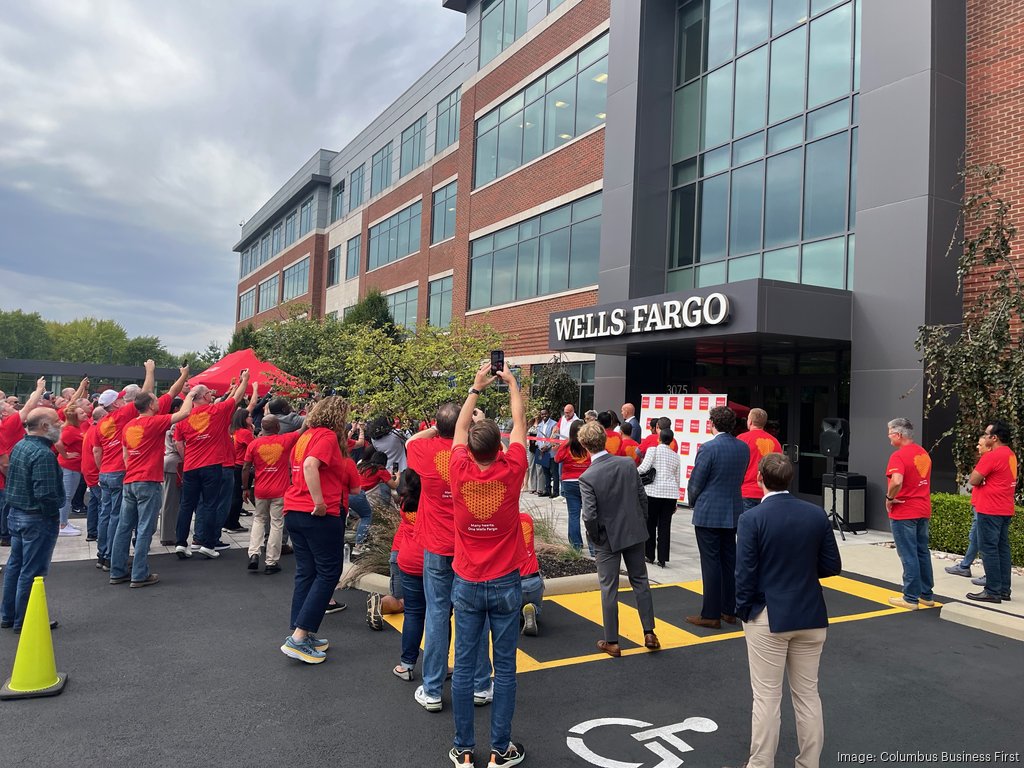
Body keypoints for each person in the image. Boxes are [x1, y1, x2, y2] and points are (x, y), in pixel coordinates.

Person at [732, 453, 842, 768]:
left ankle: (760, 764)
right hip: (810, 612)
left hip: (767, 614)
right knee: (808, 696)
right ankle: (809, 764)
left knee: (767, 698)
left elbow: (745, 573)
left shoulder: (752, 519)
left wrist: (744, 611)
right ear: (789, 480)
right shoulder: (816, 514)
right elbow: (832, 565)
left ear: (759, 479)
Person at [446, 361, 528, 768]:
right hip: (505, 582)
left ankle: (464, 750)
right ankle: (500, 750)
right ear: (499, 448)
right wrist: (512, 383)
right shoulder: (512, 469)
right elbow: (519, 423)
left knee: (463, 668)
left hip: (466, 580)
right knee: (506, 669)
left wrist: (476, 386)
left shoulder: (457, 470)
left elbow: (458, 431)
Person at [406, 403, 493, 714]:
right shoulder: (473, 452)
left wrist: (440, 428)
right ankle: (481, 685)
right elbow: (504, 451)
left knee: (437, 613)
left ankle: (432, 689)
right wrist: (475, 427)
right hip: (470, 547)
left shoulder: (426, 450)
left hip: (437, 546)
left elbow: (410, 442)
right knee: (475, 615)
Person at [279, 396, 361, 664]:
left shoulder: (306, 436)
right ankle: (300, 637)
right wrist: (320, 502)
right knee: (328, 573)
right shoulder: (325, 437)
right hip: (315, 514)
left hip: (295, 510)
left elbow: (301, 467)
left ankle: (301, 630)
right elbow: (310, 466)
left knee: (307, 572)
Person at [578, 420, 659, 658]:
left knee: (609, 588)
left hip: (606, 538)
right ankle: (649, 632)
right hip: (634, 531)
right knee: (641, 582)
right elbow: (641, 497)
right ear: (604, 440)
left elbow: (589, 515)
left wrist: (595, 538)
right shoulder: (626, 464)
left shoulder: (588, 476)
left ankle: (612, 640)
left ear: (584, 445)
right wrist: (640, 522)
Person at [109, 390, 196, 588]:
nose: (159, 402)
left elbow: (125, 456)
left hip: (130, 480)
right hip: (148, 480)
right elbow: (183, 414)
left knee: (124, 528)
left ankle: (117, 571)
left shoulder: (129, 425)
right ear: (149, 405)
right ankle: (139, 574)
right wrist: (190, 396)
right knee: (144, 529)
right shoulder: (154, 422)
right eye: (156, 400)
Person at [0, 408, 65, 632]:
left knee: (15, 566)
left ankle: (9, 615)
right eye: (57, 421)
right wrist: (52, 514)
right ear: (45, 427)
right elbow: (45, 494)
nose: (61, 425)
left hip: (17, 514)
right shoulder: (44, 454)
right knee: (32, 571)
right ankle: (25, 620)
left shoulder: (20, 445)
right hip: (36, 519)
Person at [173, 372, 248, 559]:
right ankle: (208, 544)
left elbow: (178, 443)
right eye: (209, 393)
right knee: (210, 505)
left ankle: (181, 543)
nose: (212, 395)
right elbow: (237, 398)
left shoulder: (183, 417)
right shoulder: (216, 411)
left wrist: (188, 456)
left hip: (191, 466)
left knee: (186, 505)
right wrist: (244, 380)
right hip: (212, 465)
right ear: (205, 397)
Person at [686, 405, 748, 629]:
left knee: (710, 562)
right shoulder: (743, 448)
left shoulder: (708, 448)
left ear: (712, 423)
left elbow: (696, 482)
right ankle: (729, 610)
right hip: (732, 510)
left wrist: (692, 501)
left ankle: (711, 614)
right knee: (729, 560)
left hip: (709, 512)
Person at [883, 418, 935, 610]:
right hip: (922, 508)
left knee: (907, 553)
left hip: (904, 510)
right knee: (922, 551)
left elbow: (896, 481)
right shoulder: (923, 453)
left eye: (889, 434)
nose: (888, 438)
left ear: (898, 435)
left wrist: (889, 498)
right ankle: (926, 594)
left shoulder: (898, 456)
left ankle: (910, 597)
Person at [242, 414, 301, 574]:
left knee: (259, 520)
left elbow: (246, 467)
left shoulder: (254, 444)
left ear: (262, 427)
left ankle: (253, 553)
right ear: (277, 427)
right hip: (279, 491)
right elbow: (303, 428)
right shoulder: (285, 440)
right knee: (276, 524)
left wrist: (245, 488)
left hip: (260, 490)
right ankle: (271, 561)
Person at [966, 419, 1017, 603]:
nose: (984, 437)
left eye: (987, 435)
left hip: (990, 509)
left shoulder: (991, 456)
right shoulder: (1010, 454)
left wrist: (981, 477)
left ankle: (993, 591)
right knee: (1002, 549)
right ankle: (1004, 589)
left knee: (988, 550)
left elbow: (973, 479)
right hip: (1004, 508)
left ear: (994, 438)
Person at [391, 468, 425, 681]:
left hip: (409, 561)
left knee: (413, 613)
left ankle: (407, 664)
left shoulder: (405, 506)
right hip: (433, 562)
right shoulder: (432, 506)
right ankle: (440, 664)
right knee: (439, 615)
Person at [945, 432, 990, 578]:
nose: (978, 447)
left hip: (983, 507)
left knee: (980, 538)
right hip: (979, 505)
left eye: (980, 445)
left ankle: (980, 571)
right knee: (976, 537)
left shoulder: (988, 460)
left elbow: (974, 480)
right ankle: (965, 565)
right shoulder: (987, 459)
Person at [636, 428, 681, 567]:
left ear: (658, 438)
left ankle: (649, 555)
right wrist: (676, 501)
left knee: (650, 523)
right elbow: (677, 478)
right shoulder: (676, 456)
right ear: (671, 441)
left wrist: (631, 471)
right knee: (665, 526)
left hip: (653, 492)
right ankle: (663, 558)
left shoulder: (652, 450)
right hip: (670, 494)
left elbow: (643, 468)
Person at [55, 387, 90, 537]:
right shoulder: (70, 430)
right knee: (67, 495)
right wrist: (66, 455)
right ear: (75, 417)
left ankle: (64, 521)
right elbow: (57, 442)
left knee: (68, 495)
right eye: (81, 413)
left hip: (74, 467)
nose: (85, 413)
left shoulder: (75, 428)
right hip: (69, 467)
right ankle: (62, 525)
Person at [554, 420, 591, 552]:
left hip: (569, 482)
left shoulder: (566, 445)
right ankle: (592, 548)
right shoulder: (588, 445)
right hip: (586, 482)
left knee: (573, 515)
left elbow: (557, 459)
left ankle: (576, 546)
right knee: (589, 515)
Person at [738, 408, 783, 511]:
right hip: (768, 492)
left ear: (750, 422)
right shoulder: (775, 442)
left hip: (746, 491)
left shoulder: (741, 439)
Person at [224, 407, 255, 533]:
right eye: (249, 416)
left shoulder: (233, 431)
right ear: (243, 418)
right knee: (239, 496)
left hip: (233, 465)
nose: (251, 418)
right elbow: (254, 447)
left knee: (233, 495)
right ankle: (232, 523)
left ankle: (228, 522)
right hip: (242, 466)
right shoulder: (245, 433)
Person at [159, 399, 184, 546]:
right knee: (170, 501)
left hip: (170, 462)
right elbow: (177, 443)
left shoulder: (166, 423)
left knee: (170, 500)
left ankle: (168, 531)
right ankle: (167, 534)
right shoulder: (173, 424)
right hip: (174, 462)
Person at [80, 405, 106, 542]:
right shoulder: (96, 430)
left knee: (94, 503)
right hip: (95, 472)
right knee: (103, 505)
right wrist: (102, 471)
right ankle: (101, 535)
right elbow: (97, 452)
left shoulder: (91, 428)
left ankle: (92, 532)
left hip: (89, 471)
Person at [519, 511, 544, 637]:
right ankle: (533, 608)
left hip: (515, 582)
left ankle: (520, 612)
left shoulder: (505, 525)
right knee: (538, 607)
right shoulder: (526, 519)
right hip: (534, 580)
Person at [533, 408, 558, 497]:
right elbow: (538, 438)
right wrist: (541, 447)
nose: (544, 416)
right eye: (542, 414)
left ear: (549, 413)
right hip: (542, 452)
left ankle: (555, 492)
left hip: (550, 451)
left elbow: (554, 437)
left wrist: (547, 446)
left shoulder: (554, 424)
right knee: (545, 472)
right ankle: (547, 490)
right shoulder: (539, 425)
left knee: (554, 473)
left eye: (545, 414)